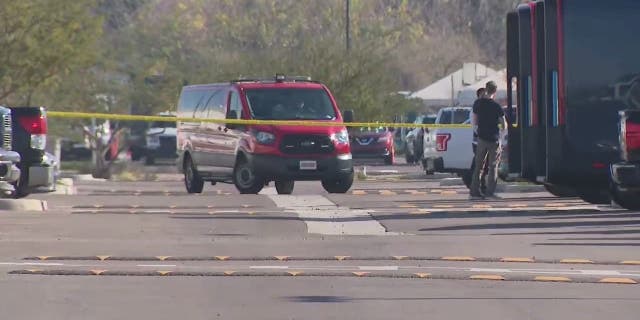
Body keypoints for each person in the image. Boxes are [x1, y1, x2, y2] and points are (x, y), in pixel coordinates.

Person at [470, 81, 507, 199]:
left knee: (478, 166)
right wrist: (501, 132)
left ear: (486, 89)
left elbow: (474, 120)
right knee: (493, 166)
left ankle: (474, 192)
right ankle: (490, 193)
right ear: (495, 92)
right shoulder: (496, 106)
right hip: (494, 139)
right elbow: (504, 124)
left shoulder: (478, 104)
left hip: (481, 138)